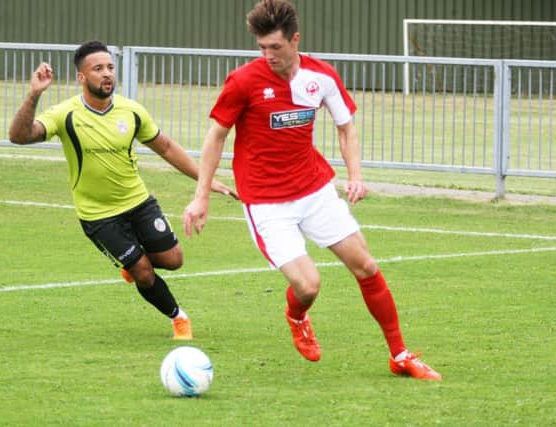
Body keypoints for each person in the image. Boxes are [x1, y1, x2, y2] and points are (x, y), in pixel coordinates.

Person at [183, 0, 441, 380]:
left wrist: (356, 175)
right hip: (267, 202)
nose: (268, 55)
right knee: (308, 285)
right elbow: (216, 136)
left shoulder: (321, 77)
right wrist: (201, 195)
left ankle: (400, 354)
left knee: (366, 266)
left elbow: (346, 127)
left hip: (315, 190)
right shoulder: (243, 81)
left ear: (295, 40)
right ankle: (297, 314)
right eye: (261, 47)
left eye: (276, 47)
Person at [9, 40, 236, 341]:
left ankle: (131, 261)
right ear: (81, 77)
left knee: (174, 260)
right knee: (143, 272)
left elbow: (166, 147)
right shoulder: (65, 114)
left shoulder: (131, 111)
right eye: (98, 69)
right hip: (98, 215)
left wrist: (204, 180)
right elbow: (19, 136)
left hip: (139, 202)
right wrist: (33, 95)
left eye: (110, 68)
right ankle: (178, 318)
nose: (107, 75)